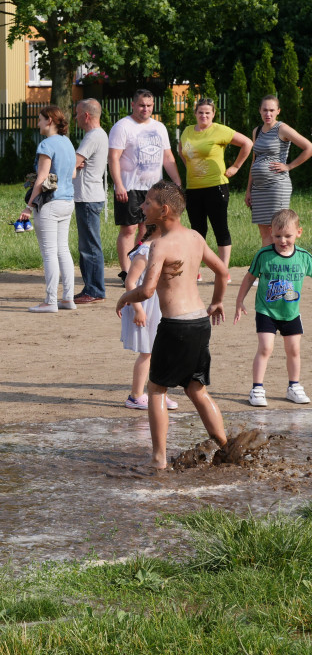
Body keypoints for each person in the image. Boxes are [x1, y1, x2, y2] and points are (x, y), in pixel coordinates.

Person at [116, 181, 229, 470]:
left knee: (155, 390)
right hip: (200, 323)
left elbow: (146, 290)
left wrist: (125, 298)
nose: (142, 206)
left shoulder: (160, 246)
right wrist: (216, 301)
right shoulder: (194, 237)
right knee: (196, 389)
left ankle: (158, 458)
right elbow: (223, 271)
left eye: (148, 203)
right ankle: (229, 449)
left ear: (163, 210)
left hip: (176, 326)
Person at [234, 208, 312, 407]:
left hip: (291, 312)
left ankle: (294, 387)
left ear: (299, 232)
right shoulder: (264, 255)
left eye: (288, 235)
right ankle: (257, 389)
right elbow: (249, 277)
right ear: (270, 232)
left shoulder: (304, 257)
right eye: (278, 236)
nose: (283, 240)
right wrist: (239, 300)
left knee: (294, 349)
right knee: (266, 347)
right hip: (266, 311)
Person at [108, 90, 181, 286]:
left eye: (149, 106)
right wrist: (119, 185)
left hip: (154, 189)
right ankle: (125, 272)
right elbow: (113, 157)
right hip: (130, 186)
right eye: (141, 105)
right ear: (133, 105)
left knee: (149, 229)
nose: (145, 109)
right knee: (129, 229)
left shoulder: (159, 128)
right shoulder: (122, 126)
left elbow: (168, 157)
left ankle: (140, 268)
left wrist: (177, 183)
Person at [179, 97, 253, 276]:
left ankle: (223, 271)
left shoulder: (219, 130)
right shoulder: (188, 130)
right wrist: (190, 166)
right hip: (193, 188)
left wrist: (235, 166)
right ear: (195, 113)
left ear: (213, 114)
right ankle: (196, 269)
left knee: (220, 228)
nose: (203, 115)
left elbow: (247, 143)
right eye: (200, 112)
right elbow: (181, 149)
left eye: (207, 113)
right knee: (197, 231)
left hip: (216, 186)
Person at [18, 104, 77, 313]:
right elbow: (72, 175)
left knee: (50, 252)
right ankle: (68, 298)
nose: (38, 123)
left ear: (49, 121)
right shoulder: (68, 143)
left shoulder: (46, 145)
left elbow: (42, 178)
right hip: (67, 201)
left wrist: (28, 206)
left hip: (50, 204)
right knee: (63, 249)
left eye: (41, 119)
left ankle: (50, 301)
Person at [119, 223, 179, 412]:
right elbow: (130, 282)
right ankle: (135, 395)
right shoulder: (145, 252)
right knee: (147, 352)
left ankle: (160, 394)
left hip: (159, 306)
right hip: (145, 307)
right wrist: (137, 309)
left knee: (161, 351)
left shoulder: (162, 249)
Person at [247, 95, 312, 247]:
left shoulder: (282, 129)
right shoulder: (256, 131)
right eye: (264, 110)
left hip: (277, 186)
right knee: (265, 233)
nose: (267, 114)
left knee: (279, 229)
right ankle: (266, 268)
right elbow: (254, 161)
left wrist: (289, 166)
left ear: (278, 111)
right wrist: (248, 190)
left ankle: (282, 265)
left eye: (271, 110)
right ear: (259, 111)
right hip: (258, 189)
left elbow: (309, 148)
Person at [73, 98, 108, 304]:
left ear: (86, 115)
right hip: (89, 195)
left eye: (77, 113)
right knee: (88, 244)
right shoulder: (97, 135)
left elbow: (75, 162)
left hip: (88, 197)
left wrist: (73, 162)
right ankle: (92, 287)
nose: (75, 117)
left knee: (89, 246)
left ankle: (94, 289)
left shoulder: (93, 136)